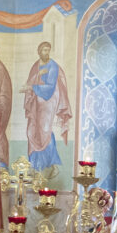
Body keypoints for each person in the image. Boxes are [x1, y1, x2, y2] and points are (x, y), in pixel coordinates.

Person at [25, 41, 70, 172]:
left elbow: (50, 87)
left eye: (48, 50)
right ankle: (34, 165)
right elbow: (29, 82)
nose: (46, 53)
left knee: (44, 130)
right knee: (32, 130)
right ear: (39, 52)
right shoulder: (36, 66)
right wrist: (38, 76)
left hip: (48, 101)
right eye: (44, 50)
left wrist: (33, 87)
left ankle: (53, 165)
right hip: (36, 102)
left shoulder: (53, 66)